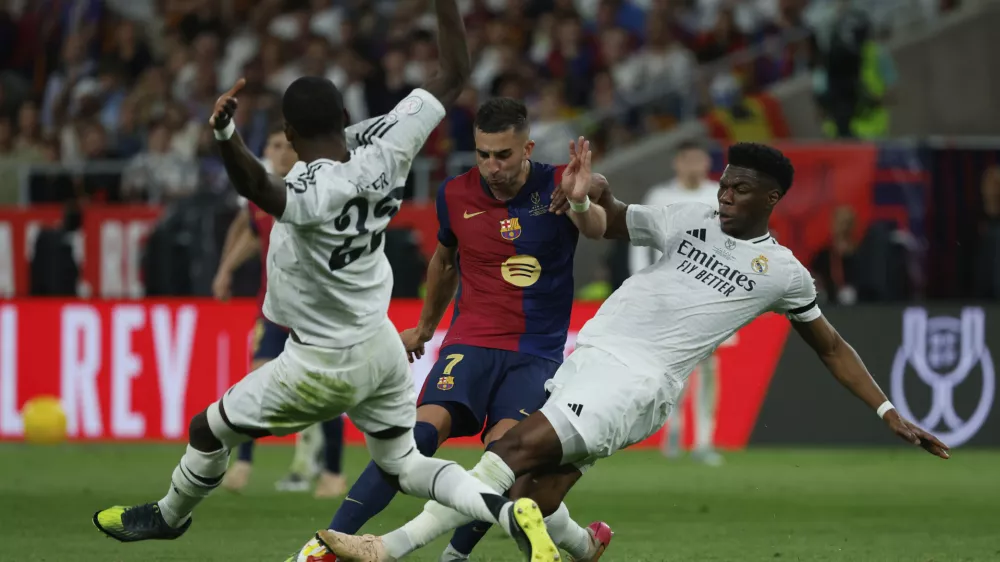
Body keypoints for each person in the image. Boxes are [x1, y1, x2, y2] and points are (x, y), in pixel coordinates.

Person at [319, 141, 950, 562]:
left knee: (506, 454)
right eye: (725, 185)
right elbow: (614, 218)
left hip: (635, 381)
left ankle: (386, 549)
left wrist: (886, 411)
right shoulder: (690, 217)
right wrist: (591, 189)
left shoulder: (782, 272)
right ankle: (586, 546)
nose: (726, 197)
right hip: (591, 358)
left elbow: (831, 346)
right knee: (533, 496)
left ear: (771, 199)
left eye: (740, 190)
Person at [91, 2, 564, 559]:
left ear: (289, 133)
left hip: (319, 361)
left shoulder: (307, 190)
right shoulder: (388, 145)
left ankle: (169, 515)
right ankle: (506, 510)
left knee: (206, 429)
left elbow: (257, 187)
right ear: (343, 114)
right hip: (380, 345)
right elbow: (454, 73)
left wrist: (224, 133)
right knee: (406, 464)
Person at [311, 99, 610, 562]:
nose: (492, 166)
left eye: (503, 155)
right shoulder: (454, 193)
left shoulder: (558, 185)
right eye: (483, 154)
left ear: (527, 148)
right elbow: (444, 261)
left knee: (504, 461)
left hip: (536, 353)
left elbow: (596, 227)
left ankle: (455, 556)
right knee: (413, 439)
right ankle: (323, 547)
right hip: (470, 341)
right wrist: (425, 327)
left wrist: (581, 199)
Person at [211, 126, 347, 498]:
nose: (282, 152)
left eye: (288, 145)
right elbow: (253, 234)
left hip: (313, 312)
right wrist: (226, 269)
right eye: (274, 145)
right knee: (257, 381)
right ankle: (243, 462)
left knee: (323, 393)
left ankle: (333, 472)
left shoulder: (315, 190)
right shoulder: (260, 194)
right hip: (272, 309)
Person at [630, 140, 723, 464]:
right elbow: (638, 241)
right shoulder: (659, 196)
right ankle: (673, 428)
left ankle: (704, 441)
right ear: (677, 163)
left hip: (711, 293)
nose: (695, 165)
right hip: (668, 292)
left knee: (709, 366)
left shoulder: (719, 195)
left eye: (700, 159)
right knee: (674, 365)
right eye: (689, 159)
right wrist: (643, 284)